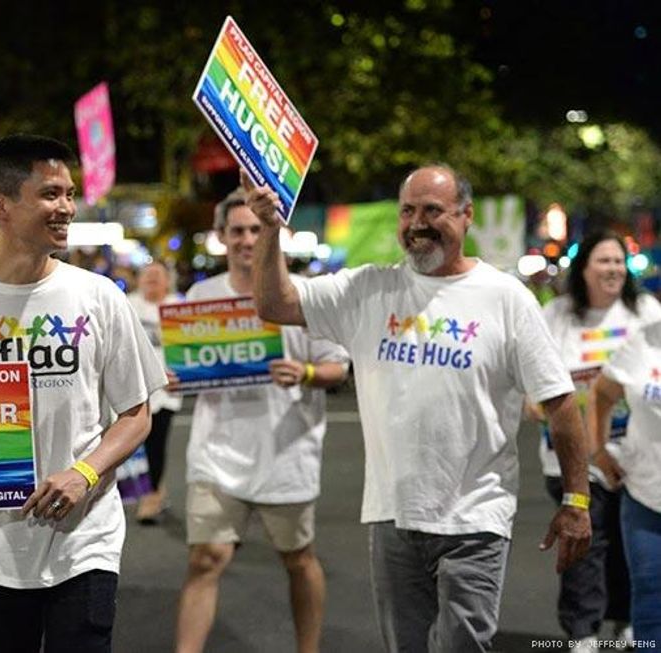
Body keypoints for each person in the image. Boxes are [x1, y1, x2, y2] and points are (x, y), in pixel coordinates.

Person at [245, 164, 592, 652]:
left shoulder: (506, 298)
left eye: (433, 210)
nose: (417, 222)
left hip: (475, 518)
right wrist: (267, 229)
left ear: (466, 216)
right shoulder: (367, 290)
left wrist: (576, 501)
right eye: (408, 211)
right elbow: (274, 304)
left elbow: (560, 404)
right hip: (393, 515)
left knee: (462, 646)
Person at [0, 134, 167, 653]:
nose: (67, 207)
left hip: (84, 544)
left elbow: (136, 415)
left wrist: (84, 474)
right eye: (50, 194)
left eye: (69, 193)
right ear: (0, 206)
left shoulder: (99, 297)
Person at [174, 188, 350, 653]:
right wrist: (179, 377)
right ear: (221, 237)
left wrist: (307, 373)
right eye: (237, 230)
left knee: (298, 560)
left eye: (256, 228)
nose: (247, 239)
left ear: (275, 233)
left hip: (286, 452)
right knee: (205, 559)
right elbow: (187, 369)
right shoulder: (202, 296)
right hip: (217, 454)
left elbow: (338, 366)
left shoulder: (306, 297)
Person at [529, 231, 661, 647]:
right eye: (603, 261)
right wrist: (537, 405)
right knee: (584, 544)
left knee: (627, 551)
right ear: (583, 268)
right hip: (570, 458)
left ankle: (626, 623)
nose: (613, 270)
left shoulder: (644, 311)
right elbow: (532, 379)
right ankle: (582, 632)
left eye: (619, 262)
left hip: (632, 458)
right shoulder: (557, 315)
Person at [589, 320, 661, 649]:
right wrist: (599, 450)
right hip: (646, 495)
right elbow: (602, 392)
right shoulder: (645, 340)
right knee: (649, 599)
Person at [127, 261, 183, 523]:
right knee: (133, 441)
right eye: (147, 275)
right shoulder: (126, 304)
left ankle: (151, 495)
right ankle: (151, 488)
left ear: (167, 281)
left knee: (156, 442)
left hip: (167, 387)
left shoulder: (179, 307)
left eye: (157, 276)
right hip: (133, 385)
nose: (151, 279)